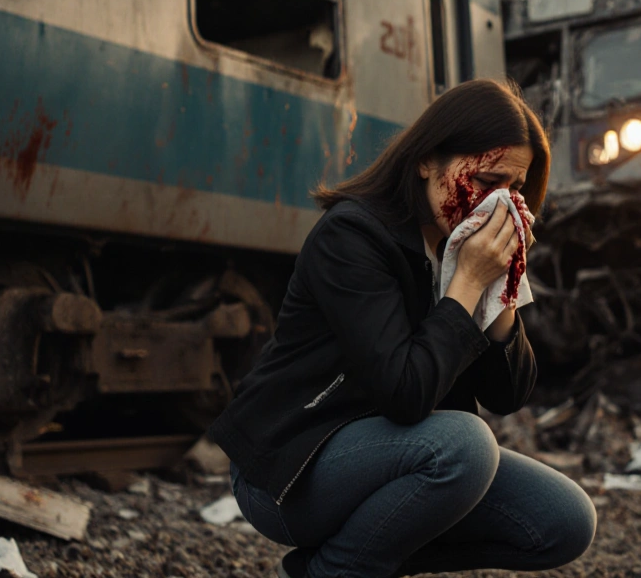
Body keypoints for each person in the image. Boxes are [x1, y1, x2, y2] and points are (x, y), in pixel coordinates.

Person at [208, 79, 596, 577]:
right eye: (484, 183)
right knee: (466, 446)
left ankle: (345, 564)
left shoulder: (462, 247)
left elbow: (508, 395)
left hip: (399, 460)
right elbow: (405, 392)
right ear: (425, 161)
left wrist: (500, 287)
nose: (496, 206)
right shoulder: (352, 237)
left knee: (563, 521)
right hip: (290, 470)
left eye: (514, 190)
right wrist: (468, 282)